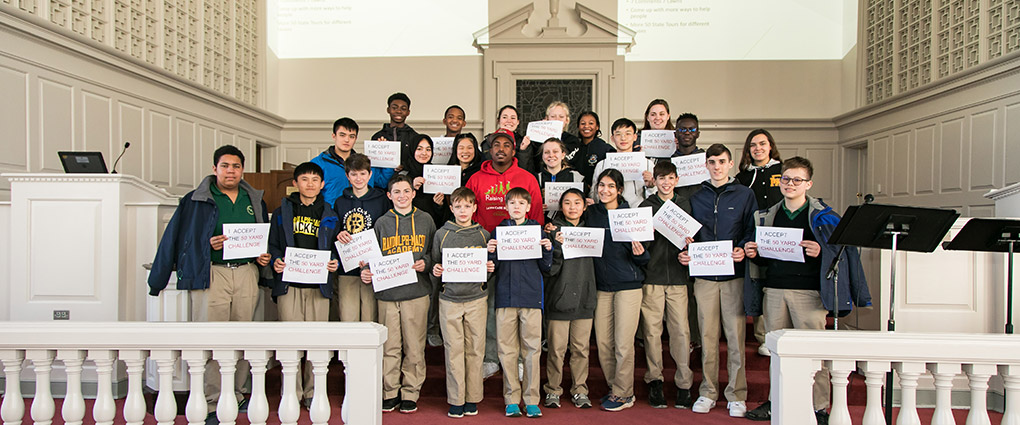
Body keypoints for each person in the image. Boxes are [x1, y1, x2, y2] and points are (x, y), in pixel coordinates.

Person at [148, 145, 272, 425]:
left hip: (246, 273)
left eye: (236, 166)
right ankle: (213, 400)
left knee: (244, 336)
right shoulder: (195, 200)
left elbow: (260, 236)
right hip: (212, 273)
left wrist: (262, 256)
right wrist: (206, 245)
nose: (231, 171)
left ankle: (238, 393)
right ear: (215, 168)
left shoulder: (254, 199)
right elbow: (176, 238)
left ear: (243, 169)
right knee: (212, 337)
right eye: (225, 166)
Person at [742, 157, 872, 424]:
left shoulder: (823, 216)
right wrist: (755, 253)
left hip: (809, 294)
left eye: (796, 180)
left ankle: (818, 407)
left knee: (814, 354)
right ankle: (777, 401)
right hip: (775, 289)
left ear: (808, 184)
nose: (790, 184)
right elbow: (766, 259)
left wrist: (820, 251)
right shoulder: (768, 214)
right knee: (776, 352)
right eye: (786, 179)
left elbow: (842, 253)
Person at [678, 143, 757, 417]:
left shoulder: (745, 195)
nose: (717, 166)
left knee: (735, 338)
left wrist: (742, 247)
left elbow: (751, 230)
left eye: (722, 161)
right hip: (704, 278)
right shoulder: (696, 196)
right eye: (712, 161)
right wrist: (686, 251)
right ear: (706, 165)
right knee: (708, 337)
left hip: (732, 276)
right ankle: (708, 392)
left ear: (731, 164)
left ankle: (736, 394)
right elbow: (689, 234)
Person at [464, 128, 545, 380]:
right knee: (489, 307)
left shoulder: (527, 177)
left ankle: (520, 359)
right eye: (496, 144)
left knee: (519, 307)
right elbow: (469, 213)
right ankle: (491, 357)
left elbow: (536, 217)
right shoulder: (476, 178)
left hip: (520, 253)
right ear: (490, 149)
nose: (501, 149)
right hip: (486, 250)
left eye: (506, 145)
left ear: (514, 149)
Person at [267, 162, 340, 409]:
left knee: (316, 344)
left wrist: (335, 262)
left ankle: (311, 392)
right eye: (304, 179)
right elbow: (273, 244)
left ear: (322, 185)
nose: (310, 184)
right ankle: (291, 392)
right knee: (290, 343)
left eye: (314, 180)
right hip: (290, 286)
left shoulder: (331, 213)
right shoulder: (281, 212)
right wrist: (276, 260)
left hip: (319, 287)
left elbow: (338, 248)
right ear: (295, 184)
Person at [361, 174, 436, 414]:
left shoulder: (426, 220)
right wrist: (366, 271)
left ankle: (411, 392)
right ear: (389, 195)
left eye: (406, 191)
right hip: (387, 295)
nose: (402, 196)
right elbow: (371, 258)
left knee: (414, 347)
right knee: (390, 347)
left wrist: (425, 262)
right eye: (397, 192)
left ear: (413, 194)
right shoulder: (382, 223)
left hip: (416, 293)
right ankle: (389, 391)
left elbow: (435, 254)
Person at [487, 187, 553, 418]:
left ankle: (532, 399)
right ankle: (511, 399)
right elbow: (491, 270)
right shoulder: (498, 231)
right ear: (506, 207)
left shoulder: (537, 230)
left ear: (528, 206)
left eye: (521, 203)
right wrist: (491, 253)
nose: (516, 207)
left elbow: (546, 268)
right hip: (505, 296)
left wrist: (547, 250)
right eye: (512, 203)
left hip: (531, 296)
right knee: (507, 351)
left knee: (532, 350)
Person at [587, 168, 650, 412]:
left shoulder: (631, 216)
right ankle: (617, 388)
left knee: (623, 343)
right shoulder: (591, 213)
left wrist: (640, 253)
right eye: (601, 185)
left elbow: (645, 259)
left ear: (620, 190)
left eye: (611, 186)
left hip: (628, 286)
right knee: (603, 342)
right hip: (602, 287)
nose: (605, 190)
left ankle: (624, 393)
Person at [431, 187, 495, 418]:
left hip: (476, 298)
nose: (463, 210)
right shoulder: (442, 234)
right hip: (450, 299)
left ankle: (473, 397)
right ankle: (456, 398)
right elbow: (435, 264)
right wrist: (435, 269)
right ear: (451, 209)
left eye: (467, 206)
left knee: (476, 350)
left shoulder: (484, 235)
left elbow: (490, 269)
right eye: (458, 206)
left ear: (475, 208)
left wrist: (490, 268)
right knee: (453, 350)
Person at [638, 161, 695, 409]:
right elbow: (638, 245)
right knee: (651, 332)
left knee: (681, 331)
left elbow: (694, 240)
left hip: (678, 279)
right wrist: (645, 234)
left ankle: (684, 384)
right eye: (661, 178)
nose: (666, 182)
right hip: (652, 277)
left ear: (677, 179)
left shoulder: (684, 205)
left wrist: (690, 246)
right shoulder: (645, 206)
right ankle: (655, 380)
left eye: (670, 178)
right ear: (655, 181)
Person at [543, 188, 596, 410]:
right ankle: (553, 390)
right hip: (559, 299)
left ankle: (580, 389)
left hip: (585, 298)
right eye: (567, 203)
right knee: (556, 349)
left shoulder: (593, 233)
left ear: (585, 207)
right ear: (560, 206)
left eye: (577, 203)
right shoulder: (553, 233)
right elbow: (549, 270)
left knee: (581, 349)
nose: (572, 207)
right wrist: (556, 246)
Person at [735, 128, 784, 356]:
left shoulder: (782, 170)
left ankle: (781, 332)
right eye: (753, 145)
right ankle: (763, 335)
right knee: (757, 282)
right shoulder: (743, 177)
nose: (758, 149)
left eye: (762, 144)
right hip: (754, 236)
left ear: (770, 146)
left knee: (778, 282)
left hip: (781, 236)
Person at [332, 153, 391, 322]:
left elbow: (386, 232)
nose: (359, 178)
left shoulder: (381, 200)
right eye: (354, 174)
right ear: (347, 176)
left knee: (370, 319)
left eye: (363, 174)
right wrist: (339, 233)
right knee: (347, 318)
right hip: (347, 270)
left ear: (370, 174)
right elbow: (333, 232)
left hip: (372, 269)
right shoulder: (339, 202)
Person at [312, 117, 395, 205]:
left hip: (363, 214)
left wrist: (385, 155)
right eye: (342, 135)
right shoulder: (319, 163)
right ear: (334, 136)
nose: (347, 140)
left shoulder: (363, 162)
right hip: (332, 215)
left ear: (355, 139)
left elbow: (382, 182)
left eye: (351, 136)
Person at [590, 118, 655, 207]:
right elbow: (594, 194)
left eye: (628, 134)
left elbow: (654, 197)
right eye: (618, 134)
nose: (623, 138)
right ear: (612, 138)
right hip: (610, 213)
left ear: (635, 137)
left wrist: (651, 186)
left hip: (637, 214)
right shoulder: (602, 165)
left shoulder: (647, 164)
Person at [401, 134, 446, 229]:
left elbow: (443, 215)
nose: (424, 153)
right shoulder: (403, 174)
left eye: (428, 149)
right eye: (419, 149)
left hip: (431, 228)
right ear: (412, 150)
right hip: (407, 228)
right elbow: (395, 201)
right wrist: (410, 186)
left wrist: (439, 205)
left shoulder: (438, 173)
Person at [536, 138, 583, 224]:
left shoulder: (577, 178)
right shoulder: (536, 178)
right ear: (542, 156)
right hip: (542, 226)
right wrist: (536, 208)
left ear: (563, 155)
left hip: (568, 228)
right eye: (546, 152)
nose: (551, 155)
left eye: (555, 151)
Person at [371, 92, 419, 170]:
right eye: (394, 108)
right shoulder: (377, 137)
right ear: (388, 110)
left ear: (408, 112)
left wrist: (404, 166)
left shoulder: (415, 137)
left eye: (403, 109)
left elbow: (417, 163)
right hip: (383, 180)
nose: (399, 111)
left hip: (407, 179)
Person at [481, 105, 536, 173]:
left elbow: (526, 171)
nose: (509, 121)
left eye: (513, 118)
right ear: (498, 120)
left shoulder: (525, 142)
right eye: (504, 117)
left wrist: (523, 150)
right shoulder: (488, 141)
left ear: (518, 122)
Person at [570, 111, 615, 190]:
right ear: (578, 126)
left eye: (591, 123)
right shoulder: (573, 148)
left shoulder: (605, 149)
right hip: (576, 191)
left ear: (597, 127)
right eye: (583, 123)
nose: (586, 126)